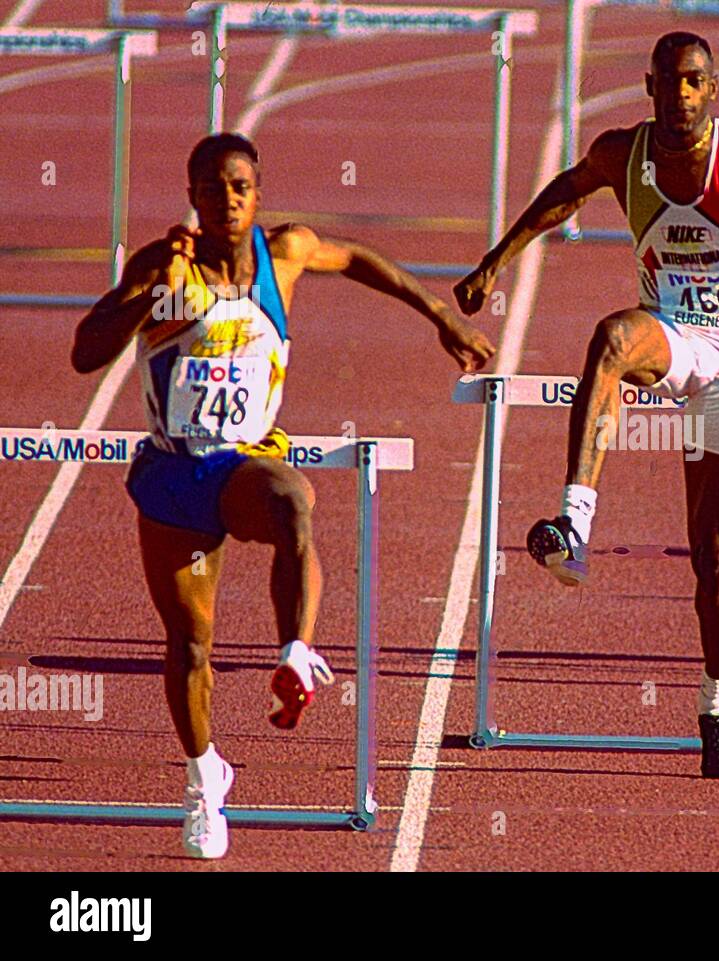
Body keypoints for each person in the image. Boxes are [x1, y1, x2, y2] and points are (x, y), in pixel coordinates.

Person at [71, 133, 495, 858]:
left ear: (256, 192)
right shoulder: (165, 265)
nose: (225, 201)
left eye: (238, 187)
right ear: (192, 196)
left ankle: (296, 652)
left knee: (293, 501)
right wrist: (150, 293)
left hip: (244, 463)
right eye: (210, 188)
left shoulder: (286, 253)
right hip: (176, 470)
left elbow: (362, 260)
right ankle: (207, 777)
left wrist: (440, 315)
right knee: (190, 646)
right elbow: (85, 352)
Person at [454, 33, 719, 778]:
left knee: (713, 555)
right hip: (671, 336)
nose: (683, 97)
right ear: (649, 86)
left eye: (695, 83)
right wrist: (492, 263)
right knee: (610, 337)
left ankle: (717, 706)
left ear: (714, 89)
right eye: (670, 83)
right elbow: (560, 196)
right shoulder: (623, 155)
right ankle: (573, 521)